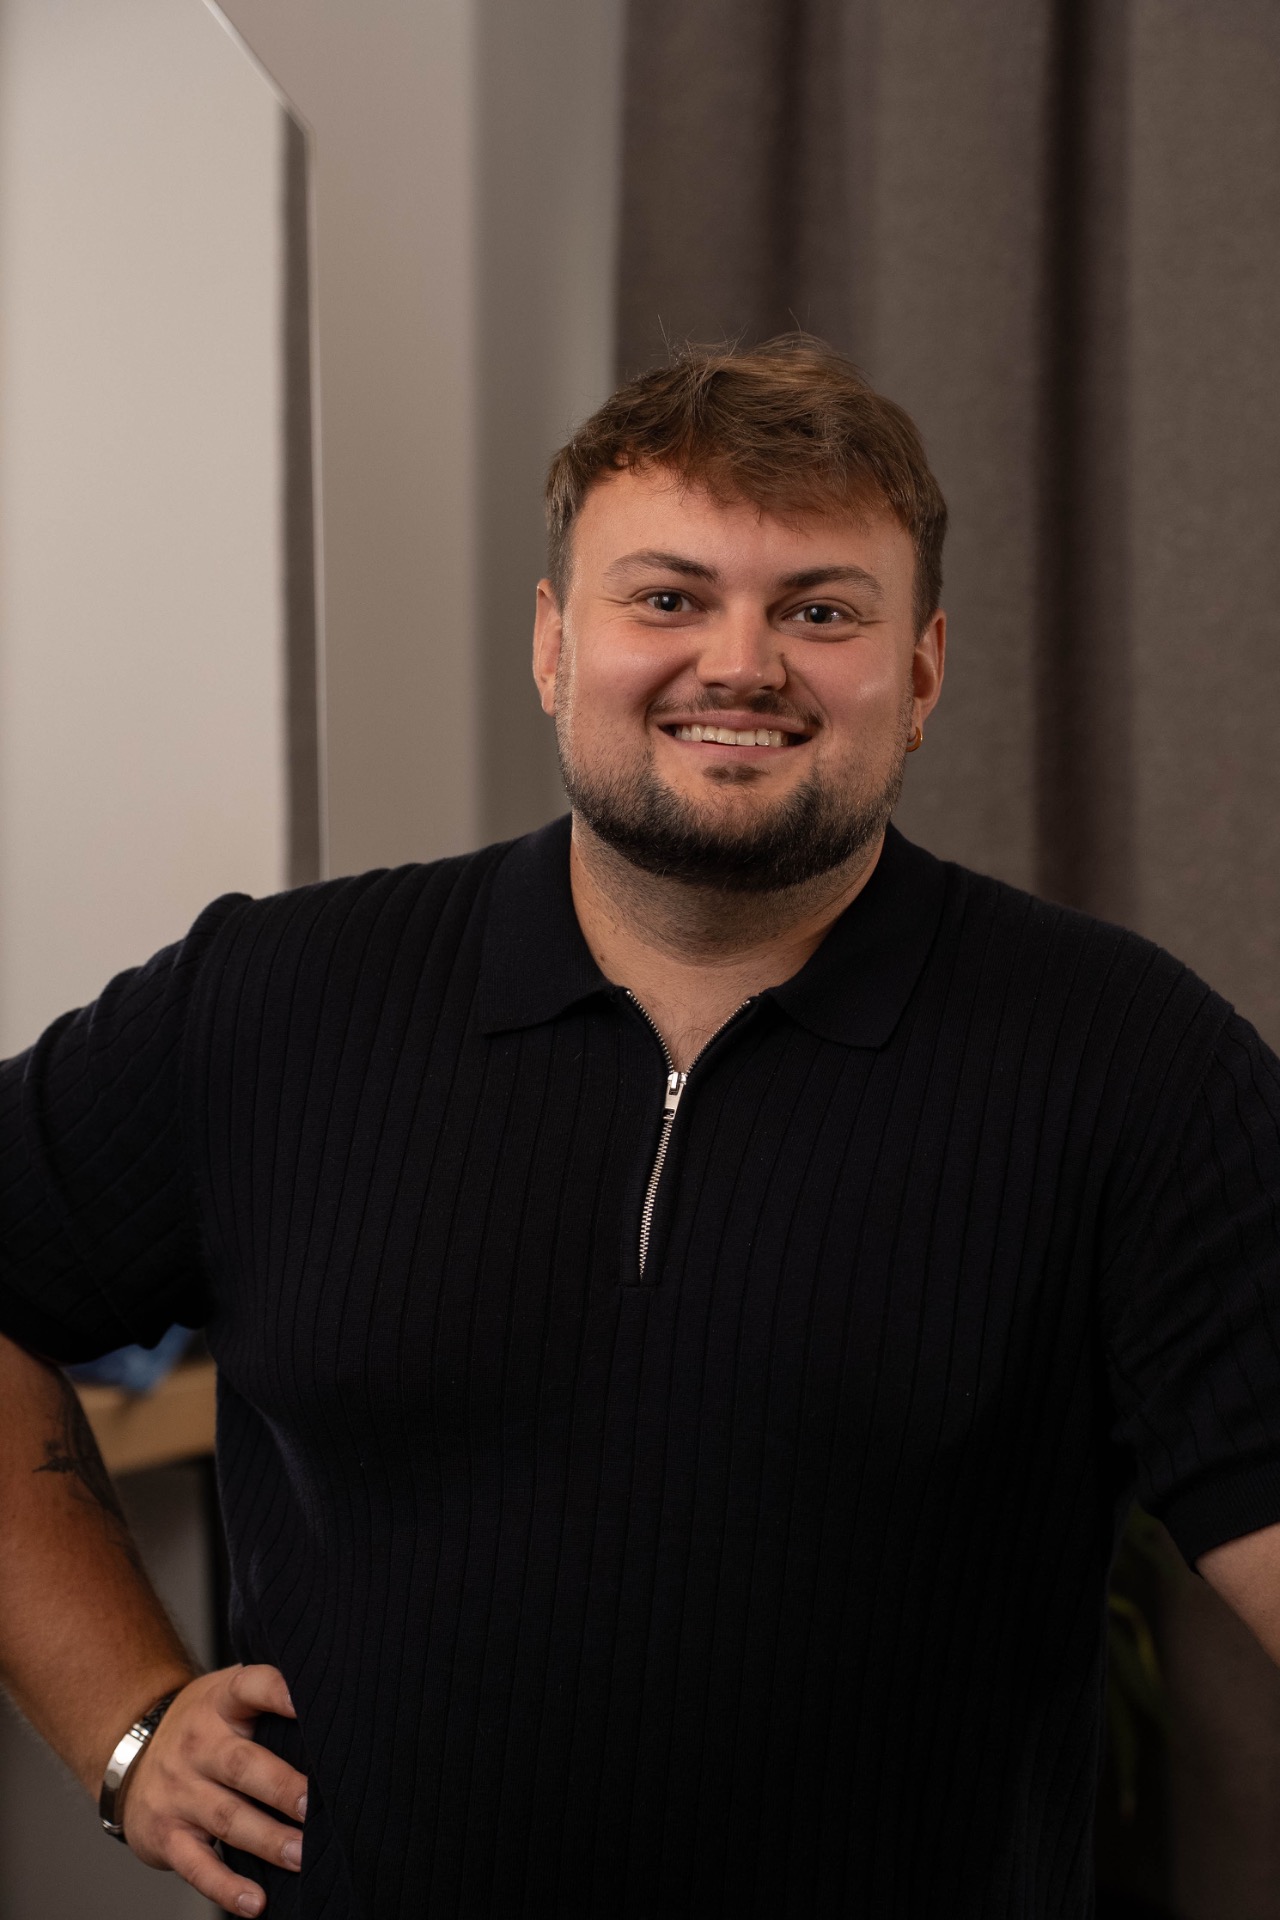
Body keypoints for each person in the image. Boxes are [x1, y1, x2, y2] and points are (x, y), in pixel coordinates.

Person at [2, 336, 1280, 1920]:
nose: (740, 664)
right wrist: (123, 1726)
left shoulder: (1134, 1066)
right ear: (555, 644)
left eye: (821, 611)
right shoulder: (270, 999)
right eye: (668, 598)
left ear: (924, 672)